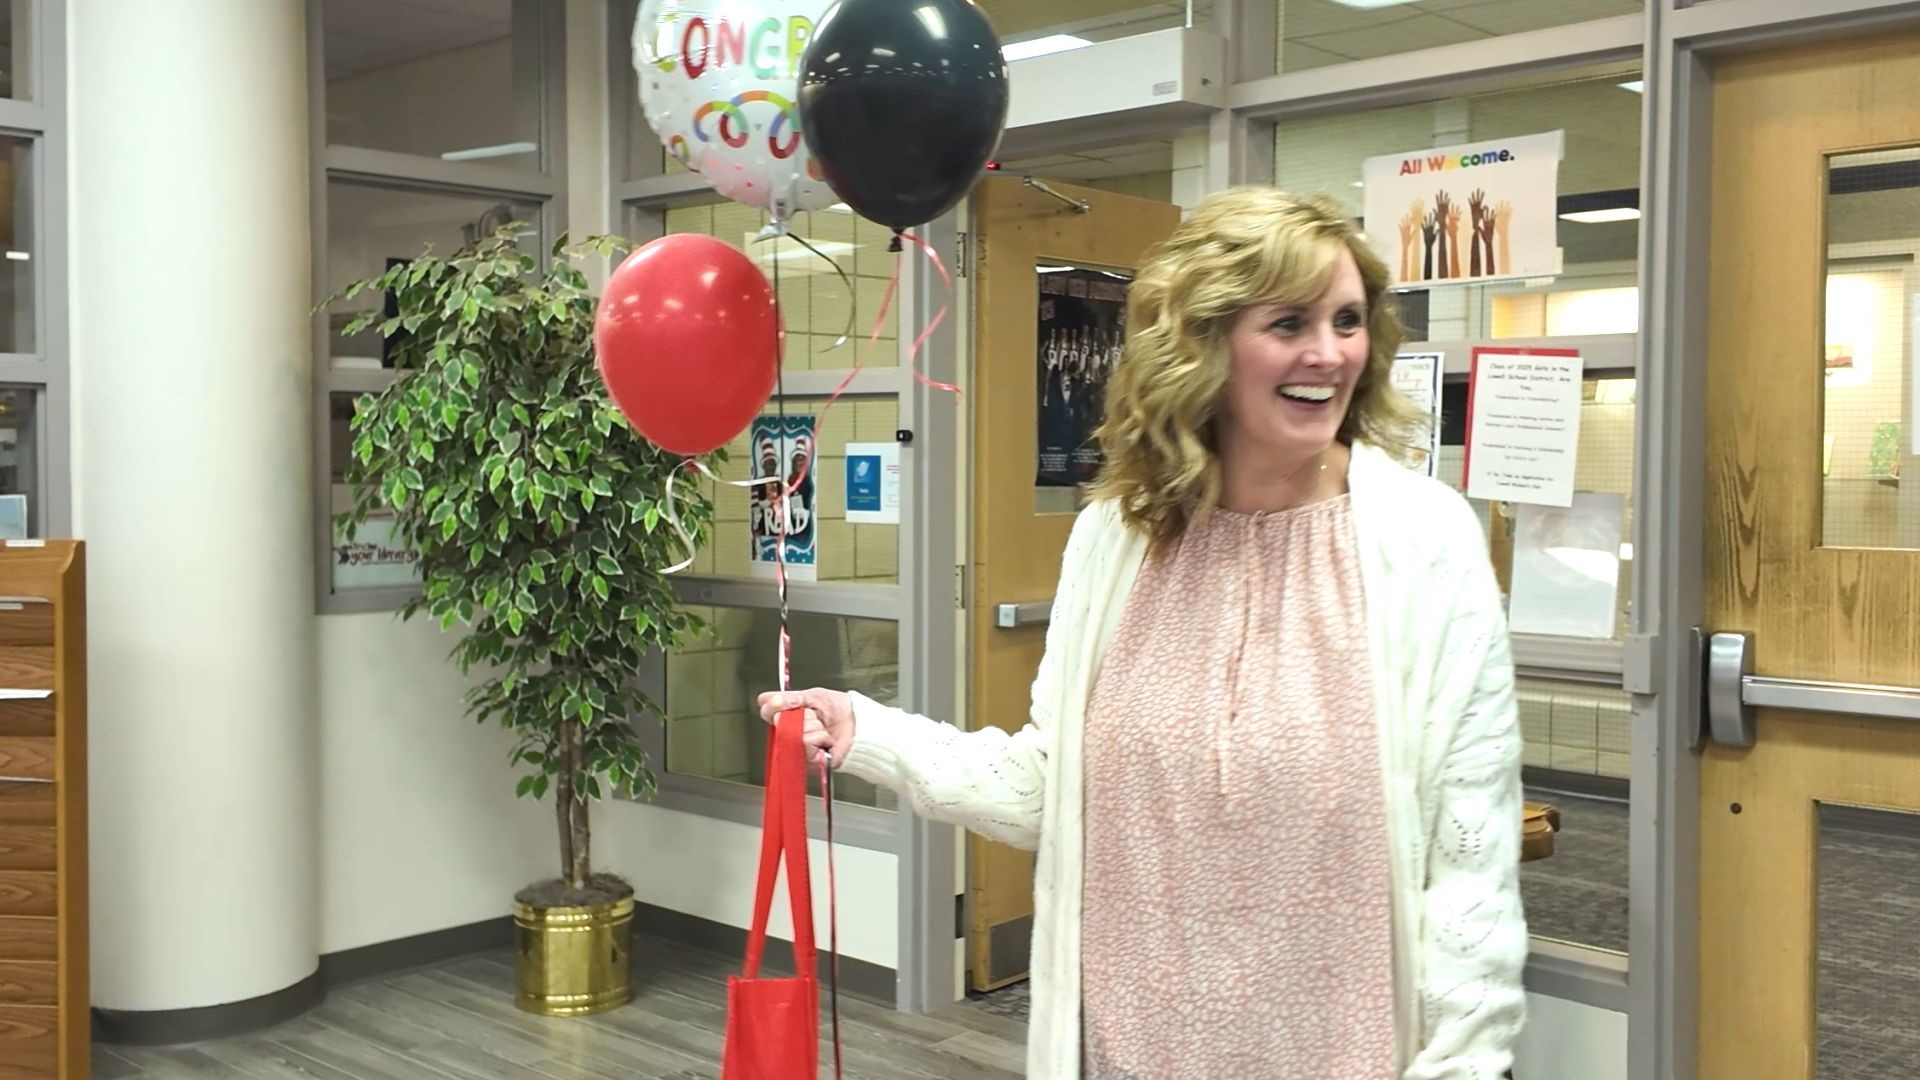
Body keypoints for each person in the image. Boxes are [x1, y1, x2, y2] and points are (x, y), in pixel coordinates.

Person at [758, 186, 1527, 1079]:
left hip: (1341, 1049)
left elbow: (1472, 859)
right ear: (1203, 343)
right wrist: (872, 733)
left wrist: (1465, 1062)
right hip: (1137, 1045)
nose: (1329, 353)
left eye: (1348, 320)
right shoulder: (1120, 537)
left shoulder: (1423, 542)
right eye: (1288, 323)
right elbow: (1054, 787)